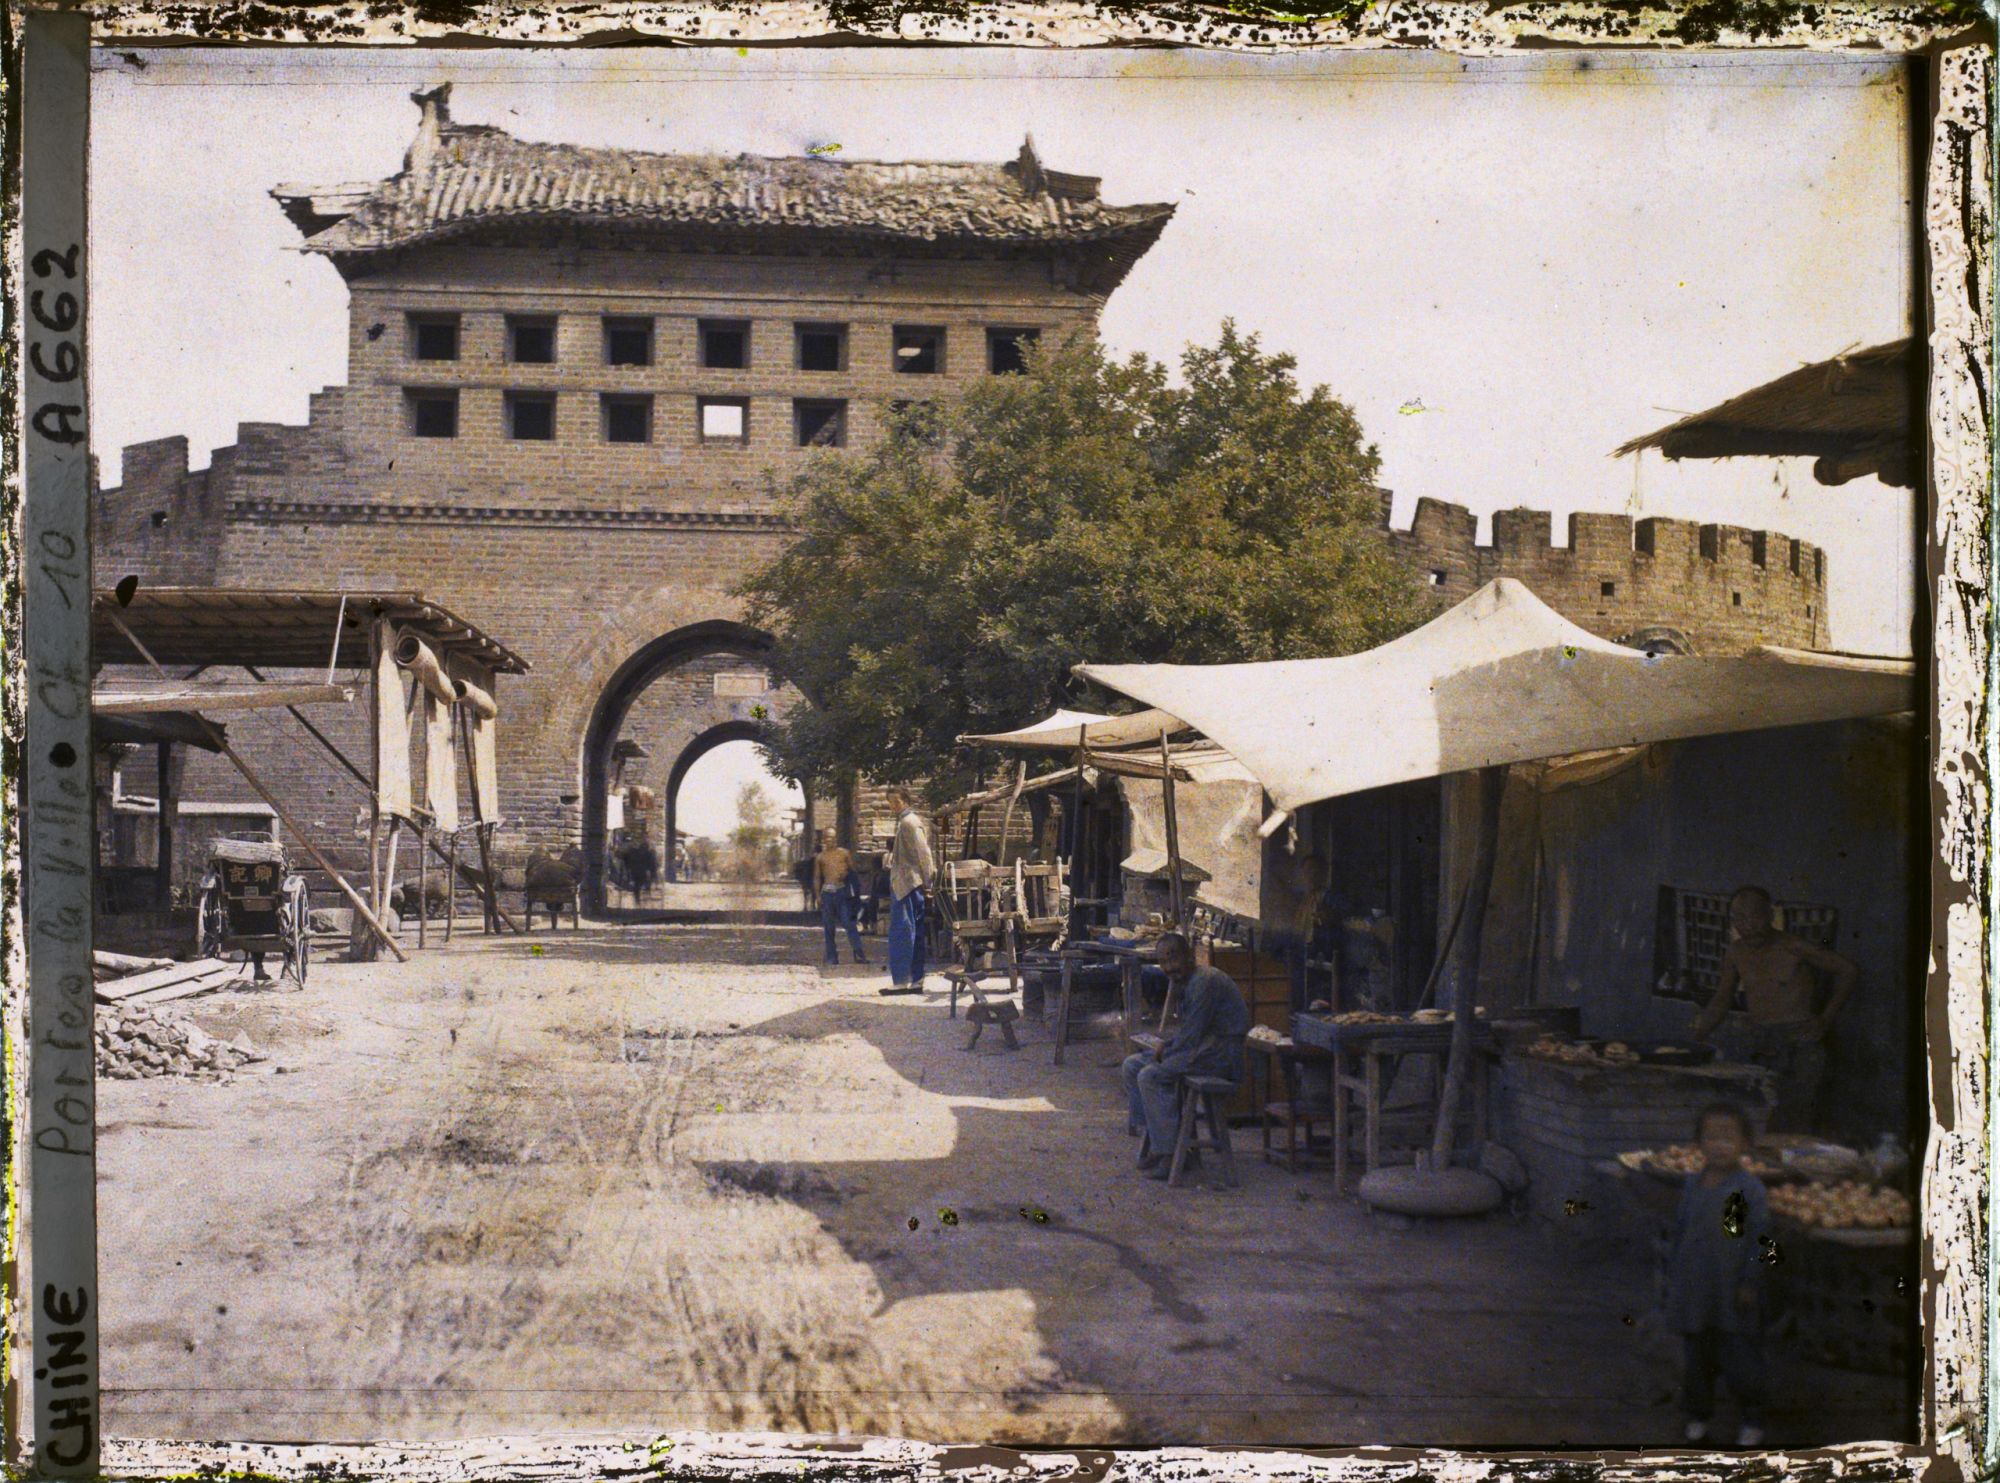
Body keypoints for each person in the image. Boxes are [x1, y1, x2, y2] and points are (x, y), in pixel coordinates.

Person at [1692, 885, 1859, 1132]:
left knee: (1796, 1118)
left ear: (1770, 915)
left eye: (1754, 916)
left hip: (1802, 1043)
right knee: (1757, 1116)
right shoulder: (1736, 952)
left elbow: (1848, 970)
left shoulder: (1793, 946)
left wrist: (1825, 1019)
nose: (1747, 925)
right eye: (1739, 918)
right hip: (1762, 1042)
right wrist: (1695, 1039)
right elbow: (1722, 999)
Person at [1664, 1102, 1772, 1448]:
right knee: (1696, 1361)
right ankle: (1698, 1415)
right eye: (1711, 1137)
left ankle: (1752, 1418)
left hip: (1731, 1292)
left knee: (1740, 1361)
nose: (1719, 1145)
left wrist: (1749, 1281)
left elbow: (1759, 1240)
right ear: (1699, 1144)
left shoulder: (1749, 1189)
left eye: (1729, 1138)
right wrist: (1673, 1277)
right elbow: (1681, 1233)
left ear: (1744, 1145)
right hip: (1696, 1291)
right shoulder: (1693, 1185)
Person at [1120, 933, 1250, 1180]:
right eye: (1163, 963)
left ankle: (1169, 1153)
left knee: (1151, 1075)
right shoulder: (1187, 983)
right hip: (1203, 1049)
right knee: (1131, 1065)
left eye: (1174, 960)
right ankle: (1159, 1138)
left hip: (1221, 1055)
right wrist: (1167, 1046)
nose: (1169, 968)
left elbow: (1192, 1036)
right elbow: (1190, 1033)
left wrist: (1166, 1051)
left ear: (1189, 957)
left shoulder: (1205, 982)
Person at [881, 791, 934, 996]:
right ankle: (916, 980)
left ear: (906, 800)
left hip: (908, 884)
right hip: (905, 883)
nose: (893, 805)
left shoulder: (910, 822)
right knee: (912, 932)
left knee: (903, 932)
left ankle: (903, 981)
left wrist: (929, 882)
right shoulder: (904, 821)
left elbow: (924, 854)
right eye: (890, 802)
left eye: (897, 801)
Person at [812, 829, 867, 966]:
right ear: (824, 840)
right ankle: (831, 957)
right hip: (827, 894)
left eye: (833, 837)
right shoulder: (820, 857)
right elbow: (817, 878)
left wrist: (847, 877)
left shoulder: (844, 853)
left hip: (842, 893)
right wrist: (818, 896)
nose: (831, 840)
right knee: (828, 926)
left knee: (849, 924)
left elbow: (853, 872)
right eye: (828, 838)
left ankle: (858, 953)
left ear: (836, 839)